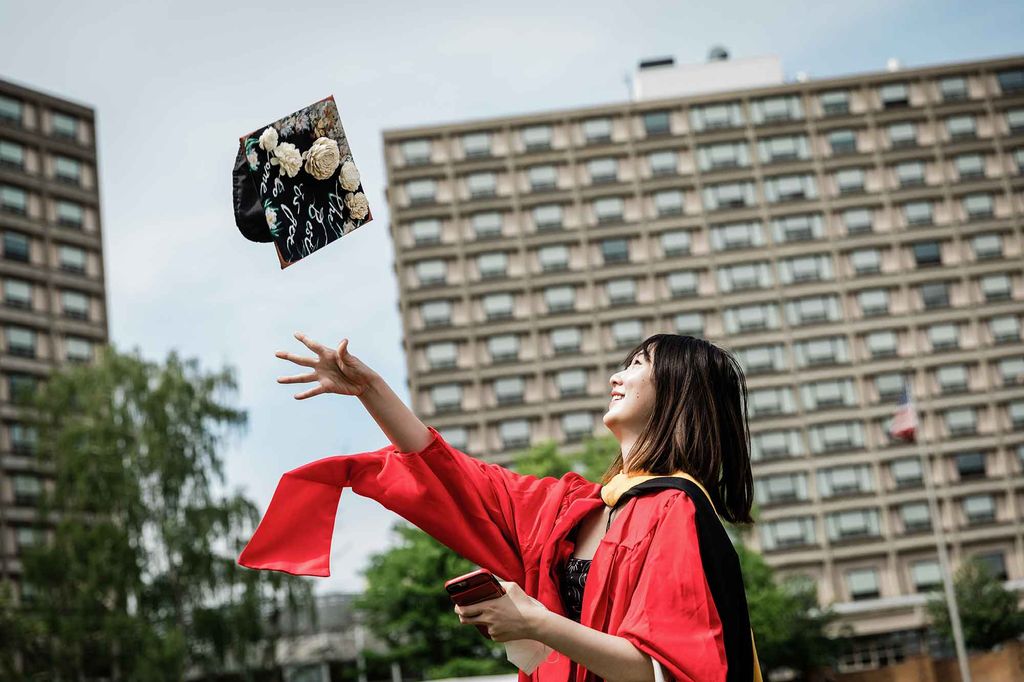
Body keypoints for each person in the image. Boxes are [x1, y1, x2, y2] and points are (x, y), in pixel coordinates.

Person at [239, 332, 762, 682]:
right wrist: (370, 391)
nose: (616, 377)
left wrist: (536, 623)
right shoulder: (574, 508)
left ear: (678, 392)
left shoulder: (673, 509)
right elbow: (456, 478)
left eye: (637, 365)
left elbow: (662, 670)